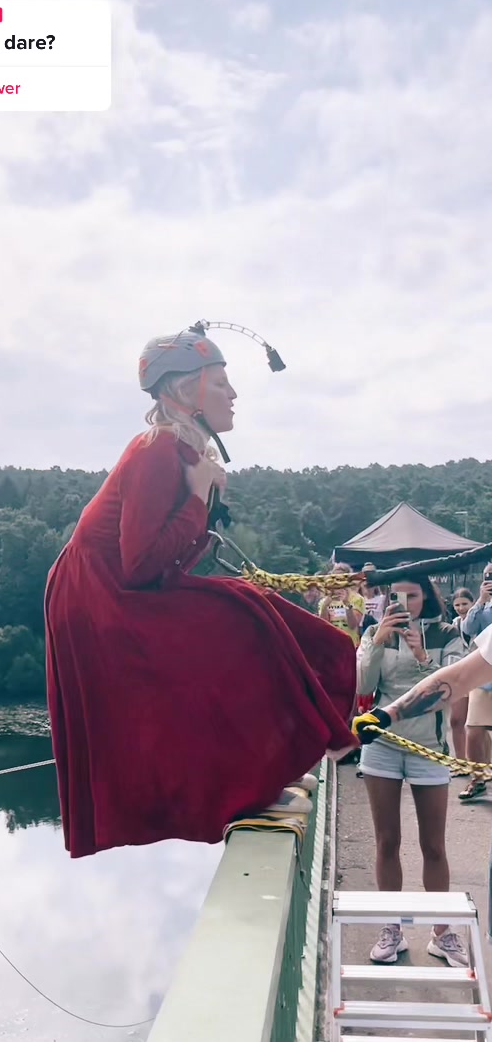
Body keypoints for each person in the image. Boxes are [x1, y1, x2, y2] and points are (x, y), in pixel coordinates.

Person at [44, 326, 358, 858]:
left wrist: (200, 504)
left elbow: (163, 561)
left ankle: (266, 773)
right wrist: (195, 500)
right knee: (240, 622)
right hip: (97, 598)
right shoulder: (155, 450)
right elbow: (141, 565)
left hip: (117, 589)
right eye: (220, 384)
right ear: (184, 391)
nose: (233, 394)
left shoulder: (182, 452)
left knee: (248, 612)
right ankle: (254, 783)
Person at [355, 578, 465, 966]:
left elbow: (452, 690)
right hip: (383, 746)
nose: (404, 602)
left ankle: (441, 932)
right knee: (387, 841)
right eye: (396, 595)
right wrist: (377, 643)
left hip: (428, 749)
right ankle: (392, 928)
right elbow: (363, 685)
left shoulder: (446, 634)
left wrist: (421, 657)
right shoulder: (374, 632)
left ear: (426, 596)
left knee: (433, 845)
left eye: (412, 595)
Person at [458, 568, 492, 802]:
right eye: (488, 575)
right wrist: (480, 600)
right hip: (483, 677)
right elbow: (468, 629)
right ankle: (477, 780)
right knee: (473, 730)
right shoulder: (482, 607)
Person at [448, 587, 475, 772]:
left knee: (478, 724)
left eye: (465, 604)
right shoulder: (453, 625)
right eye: (457, 605)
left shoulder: (483, 620)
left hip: (480, 675)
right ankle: (460, 762)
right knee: (456, 720)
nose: (461, 608)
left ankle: (481, 763)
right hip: (460, 675)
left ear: (473, 603)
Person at [319, 563, 365, 645]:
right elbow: (324, 625)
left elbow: (353, 625)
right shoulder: (324, 601)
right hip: (331, 643)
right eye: (335, 577)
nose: (337, 581)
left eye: (341, 578)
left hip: (350, 643)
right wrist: (325, 606)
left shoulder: (357, 598)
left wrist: (347, 604)